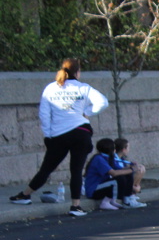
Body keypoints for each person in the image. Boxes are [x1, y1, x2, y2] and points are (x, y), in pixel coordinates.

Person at [9, 58, 108, 217]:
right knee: (76, 171)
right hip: (81, 132)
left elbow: (44, 114)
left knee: (47, 168)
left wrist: (48, 135)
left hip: (58, 135)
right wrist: (86, 112)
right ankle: (75, 206)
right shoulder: (84, 88)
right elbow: (103, 102)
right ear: (77, 72)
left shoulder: (51, 88)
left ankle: (25, 195)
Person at [84, 138, 137, 210]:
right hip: (93, 189)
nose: (115, 150)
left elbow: (119, 169)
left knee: (127, 174)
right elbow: (114, 173)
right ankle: (105, 202)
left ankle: (126, 199)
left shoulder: (108, 157)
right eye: (114, 148)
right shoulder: (99, 159)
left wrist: (130, 167)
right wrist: (132, 170)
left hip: (102, 184)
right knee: (118, 179)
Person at [114, 138, 147, 206]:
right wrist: (132, 168)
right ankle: (129, 196)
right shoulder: (114, 158)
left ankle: (132, 192)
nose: (129, 150)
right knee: (137, 169)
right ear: (124, 149)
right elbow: (118, 170)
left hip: (122, 179)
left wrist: (132, 166)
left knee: (141, 168)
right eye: (128, 148)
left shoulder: (122, 158)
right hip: (117, 181)